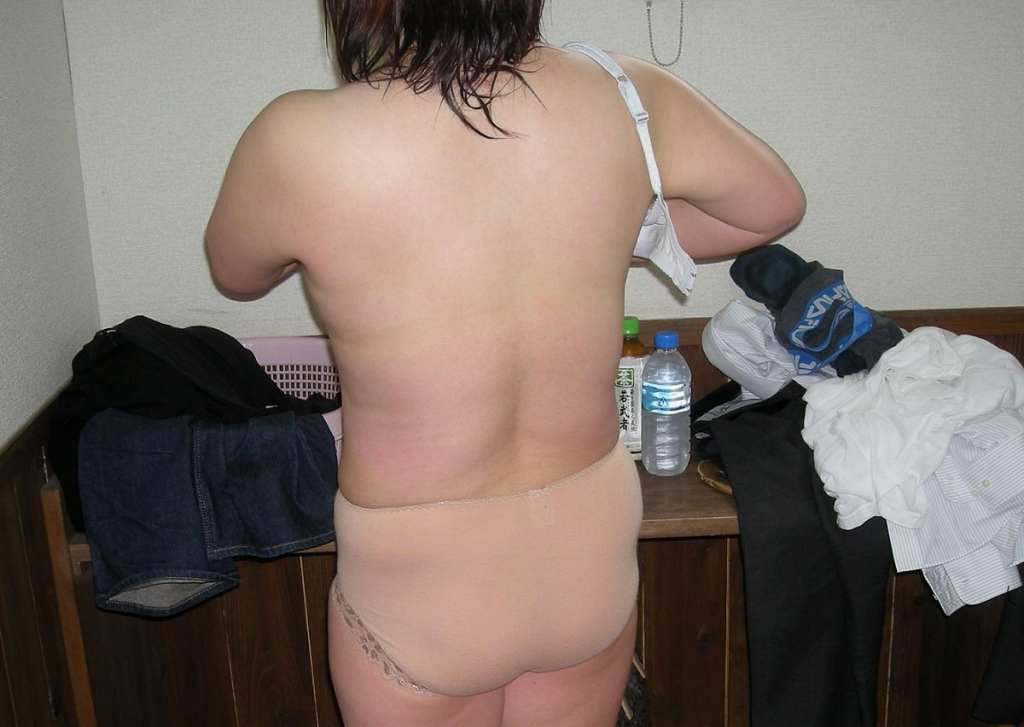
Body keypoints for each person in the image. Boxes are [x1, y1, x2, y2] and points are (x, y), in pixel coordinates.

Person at [204, 1, 805, 724]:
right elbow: (772, 204)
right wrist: (613, 229)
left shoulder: (297, 136)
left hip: (420, 581)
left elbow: (235, 272)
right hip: (584, 558)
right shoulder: (625, 93)